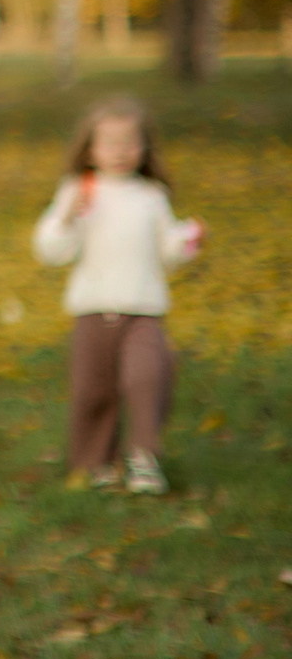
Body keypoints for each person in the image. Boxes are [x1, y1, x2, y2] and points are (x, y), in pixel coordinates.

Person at [34, 95, 204, 496]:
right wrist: (67, 217)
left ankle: (143, 456)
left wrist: (189, 240)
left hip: (144, 309)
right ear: (90, 148)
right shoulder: (79, 191)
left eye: (130, 142)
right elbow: (51, 250)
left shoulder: (152, 195)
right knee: (94, 391)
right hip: (93, 309)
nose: (120, 152)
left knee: (146, 378)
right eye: (109, 143)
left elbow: (169, 249)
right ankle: (94, 463)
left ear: (144, 147)